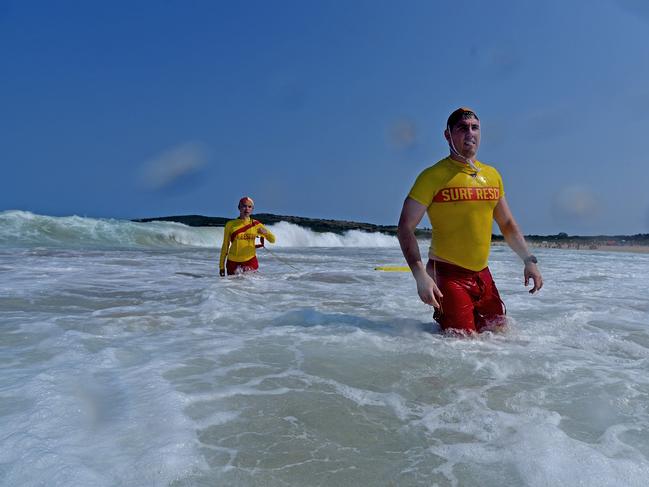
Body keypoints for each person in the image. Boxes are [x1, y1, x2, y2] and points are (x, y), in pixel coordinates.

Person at [397, 107, 543, 334]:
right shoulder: (432, 176)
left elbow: (507, 224)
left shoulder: (491, 175)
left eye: (475, 128)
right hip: (446, 275)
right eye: (462, 128)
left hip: (482, 275)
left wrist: (529, 261)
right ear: (448, 135)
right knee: (463, 348)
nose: (470, 133)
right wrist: (420, 276)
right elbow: (405, 227)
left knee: (501, 336)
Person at [219, 196, 276, 276]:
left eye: (250, 207)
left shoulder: (256, 224)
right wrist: (221, 266)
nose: (247, 209)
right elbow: (225, 246)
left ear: (252, 209)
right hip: (233, 262)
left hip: (250, 261)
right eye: (244, 206)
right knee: (232, 288)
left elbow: (273, 240)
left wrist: (265, 232)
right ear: (239, 207)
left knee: (250, 288)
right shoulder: (230, 225)